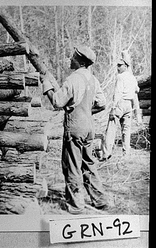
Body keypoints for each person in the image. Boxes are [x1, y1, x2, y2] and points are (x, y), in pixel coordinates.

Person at [40, 45, 109, 214]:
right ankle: (100, 200)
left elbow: (57, 102)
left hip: (75, 128)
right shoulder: (93, 80)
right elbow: (102, 104)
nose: (70, 60)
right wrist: (86, 111)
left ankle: (76, 204)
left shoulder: (73, 79)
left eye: (73, 58)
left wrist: (47, 85)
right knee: (89, 164)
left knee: (72, 165)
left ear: (80, 62)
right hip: (89, 128)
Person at [100, 53, 140, 161]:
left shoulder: (120, 77)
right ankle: (126, 154)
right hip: (129, 105)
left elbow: (117, 93)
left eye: (120, 65)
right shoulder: (132, 77)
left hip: (120, 104)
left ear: (126, 66)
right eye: (117, 65)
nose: (118, 67)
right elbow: (137, 89)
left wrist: (113, 108)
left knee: (111, 128)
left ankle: (106, 153)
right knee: (126, 130)